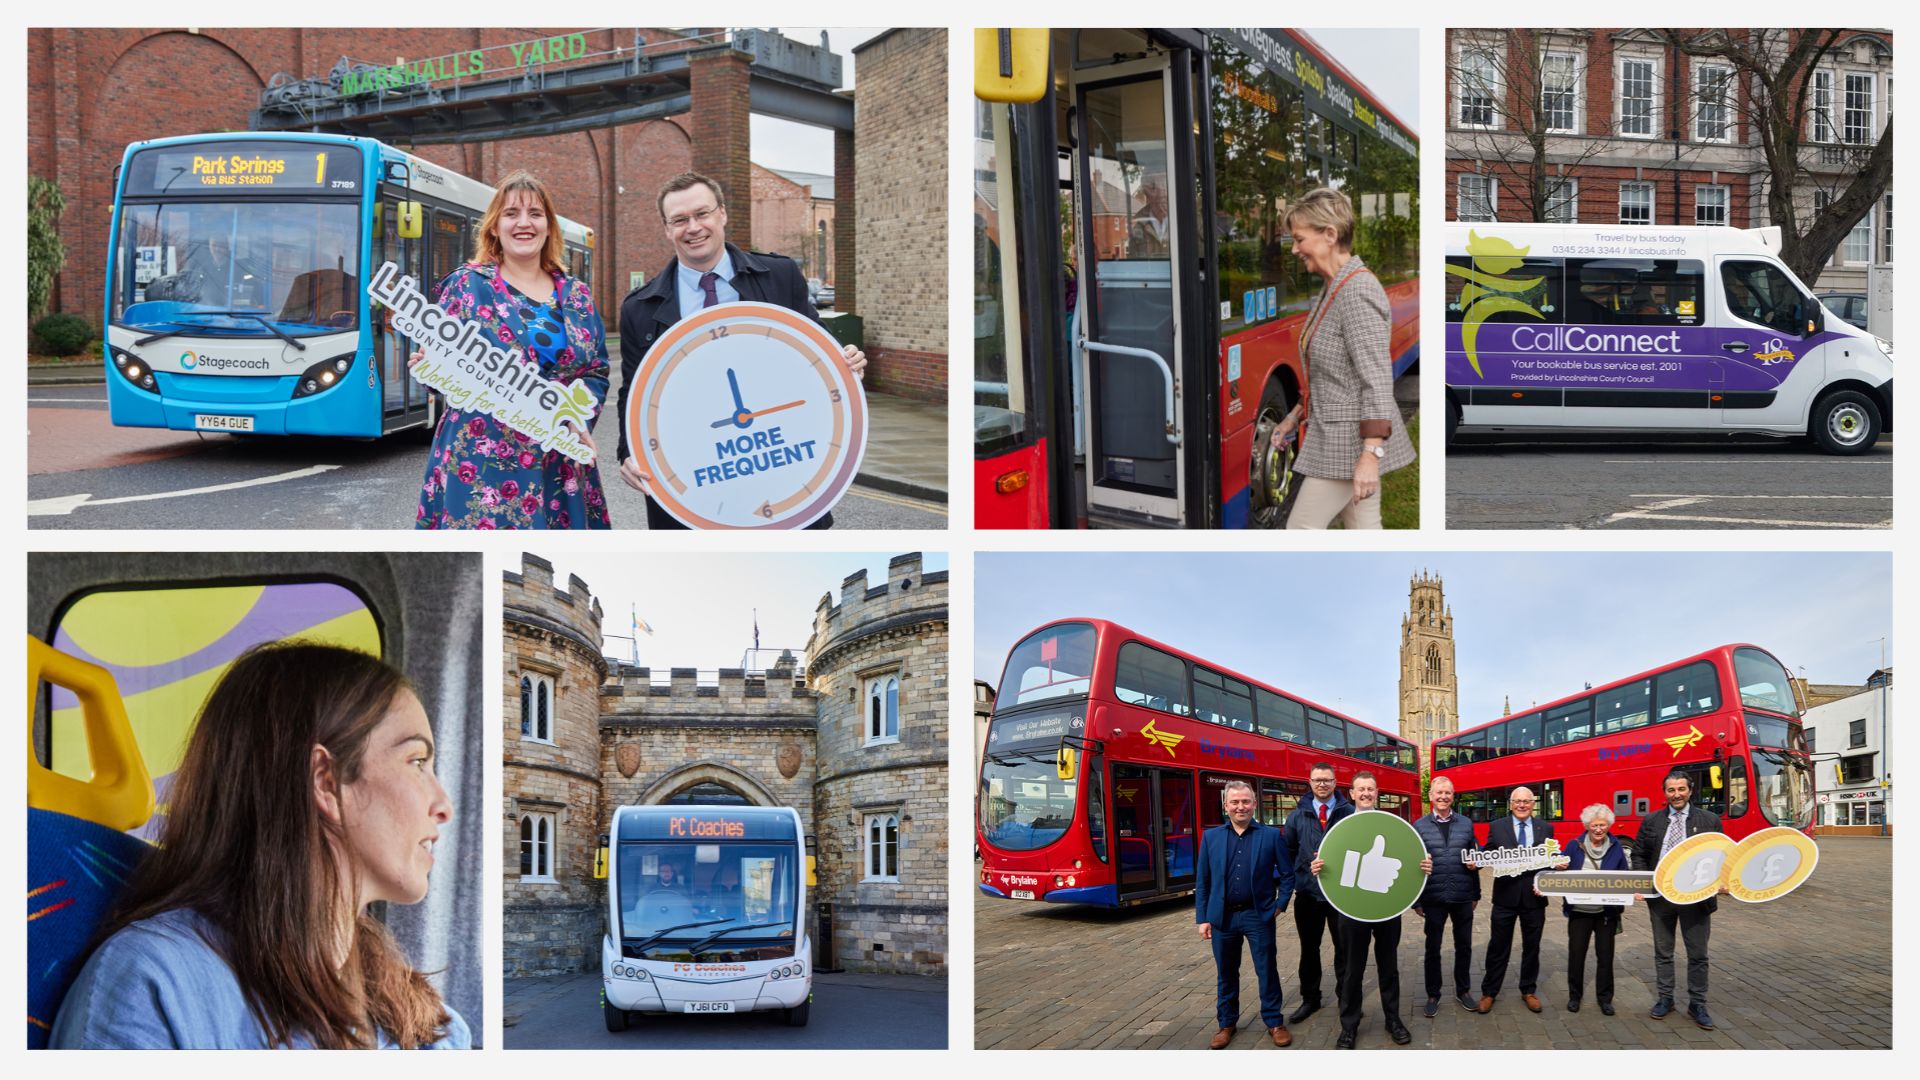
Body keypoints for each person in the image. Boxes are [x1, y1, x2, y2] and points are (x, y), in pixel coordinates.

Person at [50, 643, 467, 1049]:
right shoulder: (154, 986)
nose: (443, 805)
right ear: (326, 780)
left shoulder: (429, 1026)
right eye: (416, 762)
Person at [616, 172, 867, 530]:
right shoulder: (638, 308)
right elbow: (633, 393)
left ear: (722, 214)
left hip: (776, 466)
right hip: (693, 479)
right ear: (666, 229)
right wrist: (628, 453)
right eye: (680, 220)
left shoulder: (779, 277)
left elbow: (817, 353)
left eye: (702, 214)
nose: (693, 228)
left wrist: (848, 360)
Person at [415, 171, 611, 529]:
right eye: (511, 214)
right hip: (480, 460)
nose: (524, 223)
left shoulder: (578, 296)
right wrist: (431, 369)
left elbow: (596, 370)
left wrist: (574, 416)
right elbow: (440, 372)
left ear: (549, 227)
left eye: (535, 214)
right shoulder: (465, 286)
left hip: (558, 459)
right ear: (494, 227)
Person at [1269, 187, 1415, 529]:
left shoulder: (1357, 291)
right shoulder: (1334, 286)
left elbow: (1375, 380)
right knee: (1365, 532)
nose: (1294, 249)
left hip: (1347, 443)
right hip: (1341, 434)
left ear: (1330, 235)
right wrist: (1294, 416)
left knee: (1300, 532)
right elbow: (1336, 375)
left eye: (1299, 239)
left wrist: (1370, 455)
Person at [1310, 772, 1427, 1048]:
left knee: (1389, 968)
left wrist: (1423, 867)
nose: (1365, 793)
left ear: (1377, 793)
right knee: (1352, 970)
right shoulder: (1339, 825)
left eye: (1370, 789)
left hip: (1387, 908)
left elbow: (1410, 858)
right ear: (1351, 793)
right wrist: (1314, 866)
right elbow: (1325, 860)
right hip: (1351, 910)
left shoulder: (1393, 825)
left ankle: (1393, 1020)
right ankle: (1348, 1027)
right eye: (1360, 789)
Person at [1195, 780, 1296, 1048]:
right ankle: (1226, 1024)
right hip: (1222, 919)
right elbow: (1203, 880)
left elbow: (1288, 874)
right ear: (1226, 805)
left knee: (1267, 970)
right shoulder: (1211, 837)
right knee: (1226, 973)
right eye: (1235, 802)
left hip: (1258, 916)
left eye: (1246, 801)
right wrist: (1202, 918)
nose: (1241, 806)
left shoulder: (1271, 836)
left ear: (1254, 804)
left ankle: (1274, 1022)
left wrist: (1280, 904)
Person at [1633, 771, 1725, 1030]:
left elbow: (1721, 855)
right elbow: (1639, 853)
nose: (1676, 794)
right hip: (1661, 898)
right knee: (1663, 952)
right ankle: (1665, 999)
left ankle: (1697, 1003)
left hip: (1696, 899)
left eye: (1681, 789)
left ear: (1690, 790)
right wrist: (1643, 882)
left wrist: (1723, 880)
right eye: (1671, 790)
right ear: (1665, 793)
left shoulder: (1709, 820)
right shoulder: (1651, 820)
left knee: (1698, 954)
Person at [1478, 786, 1560, 1013]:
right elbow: (1489, 852)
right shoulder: (1497, 826)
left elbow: (1549, 860)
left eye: (1526, 801)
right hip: (1505, 897)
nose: (1522, 805)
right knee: (1498, 947)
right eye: (1518, 801)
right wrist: (1476, 859)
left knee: (1531, 947)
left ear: (1533, 803)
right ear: (1511, 803)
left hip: (1534, 898)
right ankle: (1489, 992)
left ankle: (1528, 990)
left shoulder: (1546, 827)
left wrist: (1551, 875)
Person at [1281, 762, 1350, 1024]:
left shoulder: (1349, 812)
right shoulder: (1297, 816)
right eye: (1318, 780)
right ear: (1309, 783)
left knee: (1344, 949)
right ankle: (1310, 999)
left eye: (1328, 780)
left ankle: (1346, 997)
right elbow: (1287, 853)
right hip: (1308, 895)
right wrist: (1302, 873)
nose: (1323, 784)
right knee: (1309, 950)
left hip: (1340, 896)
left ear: (1335, 783)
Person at [1412, 775, 1481, 1017]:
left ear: (1453, 796)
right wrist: (1416, 901)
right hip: (1433, 897)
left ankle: (1464, 991)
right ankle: (1433, 993)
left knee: (1464, 947)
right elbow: (1412, 865)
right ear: (1430, 796)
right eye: (1439, 793)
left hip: (1463, 895)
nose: (1443, 797)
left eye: (1447, 793)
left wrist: (1477, 891)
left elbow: (1477, 852)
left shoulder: (1466, 823)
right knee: (1433, 948)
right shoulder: (1418, 826)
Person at [1559, 803, 1629, 1015]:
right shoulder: (1574, 845)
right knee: (1576, 955)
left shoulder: (1616, 846)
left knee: (1605, 957)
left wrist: (1632, 891)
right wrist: (1557, 866)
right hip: (1579, 912)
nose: (1598, 829)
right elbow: (1559, 869)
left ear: (1609, 825)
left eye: (1603, 825)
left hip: (1606, 913)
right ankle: (1574, 996)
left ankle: (1605, 998)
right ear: (1587, 825)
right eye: (1594, 825)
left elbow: (1625, 876)